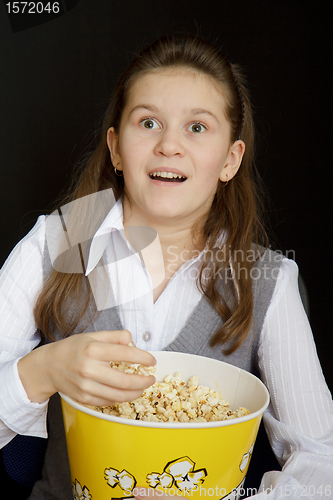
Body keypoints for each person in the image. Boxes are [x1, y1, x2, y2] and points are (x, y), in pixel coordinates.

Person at [0, 33, 332, 500]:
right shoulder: (53, 242)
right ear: (116, 149)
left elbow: (322, 460)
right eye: (148, 122)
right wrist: (41, 372)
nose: (169, 145)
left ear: (230, 160)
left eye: (197, 128)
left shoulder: (269, 279)